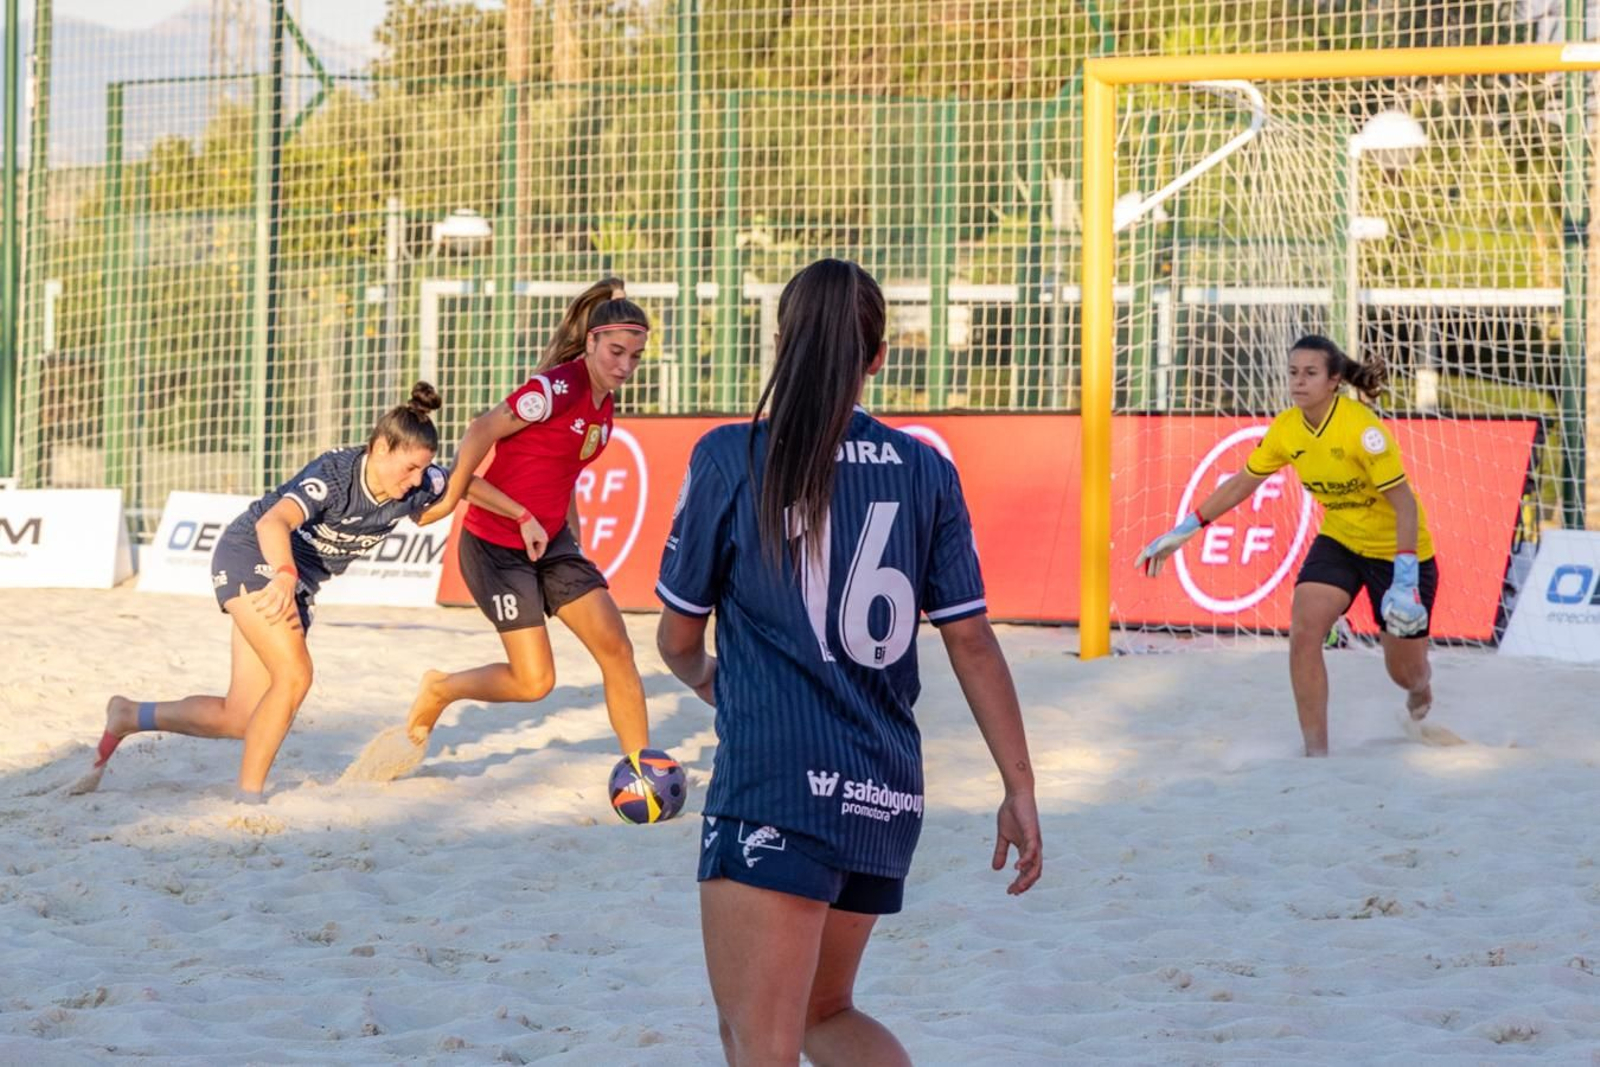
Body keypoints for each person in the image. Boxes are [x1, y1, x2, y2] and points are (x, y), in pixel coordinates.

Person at [655, 258, 1043, 1066]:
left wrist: (710, 684)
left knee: (757, 1040)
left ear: (779, 342)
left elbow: (678, 637)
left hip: (775, 784)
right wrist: (1020, 785)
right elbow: (971, 638)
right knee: (825, 1015)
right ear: (877, 357)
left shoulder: (732, 456)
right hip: (884, 789)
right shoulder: (926, 469)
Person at [75, 382, 468, 801]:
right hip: (253, 554)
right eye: (407, 468)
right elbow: (271, 524)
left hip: (291, 579)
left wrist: (520, 515)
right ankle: (248, 796)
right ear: (380, 447)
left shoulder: (418, 482)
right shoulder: (334, 475)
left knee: (240, 716)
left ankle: (129, 714)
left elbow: (466, 484)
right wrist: (283, 575)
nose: (414, 480)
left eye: (421, 471)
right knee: (295, 675)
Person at [1136, 334, 1443, 756]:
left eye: (1311, 373)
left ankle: (1422, 686)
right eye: (1294, 373)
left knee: (1404, 673)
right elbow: (1243, 482)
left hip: (1398, 551)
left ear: (1334, 380)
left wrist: (1405, 579)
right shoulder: (1286, 428)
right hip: (1341, 540)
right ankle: (1316, 754)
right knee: (1304, 631)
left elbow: (1405, 504)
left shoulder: (1363, 430)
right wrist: (1184, 530)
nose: (1299, 382)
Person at [394, 279, 652, 764]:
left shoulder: (605, 404)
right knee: (535, 683)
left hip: (551, 543)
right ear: (592, 341)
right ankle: (441, 688)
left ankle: (643, 769)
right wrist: (450, 499)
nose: (625, 366)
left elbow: (564, 473)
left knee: (617, 648)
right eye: (616, 351)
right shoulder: (555, 388)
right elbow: (480, 429)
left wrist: (572, 542)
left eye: (635, 357)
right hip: (495, 545)